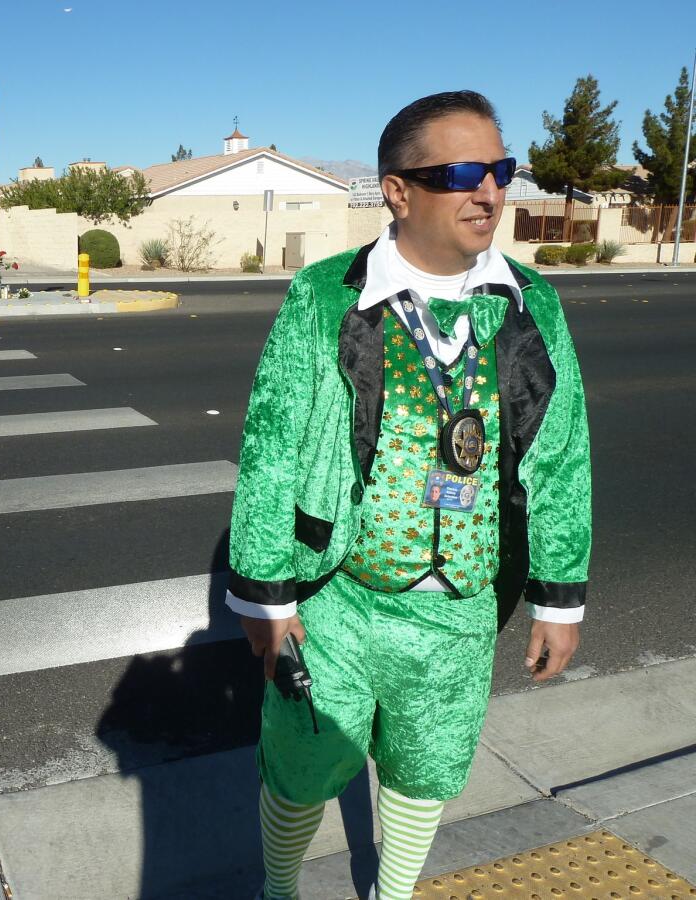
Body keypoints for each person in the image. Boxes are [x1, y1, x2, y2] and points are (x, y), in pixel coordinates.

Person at [228, 91, 591, 900]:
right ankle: (278, 891)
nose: (489, 191)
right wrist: (266, 594)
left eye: (501, 169)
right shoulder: (326, 296)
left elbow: (561, 455)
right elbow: (272, 445)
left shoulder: (532, 303)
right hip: (340, 596)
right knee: (304, 765)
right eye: (462, 172)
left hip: (462, 604)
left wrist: (558, 600)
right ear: (397, 190)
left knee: (429, 768)